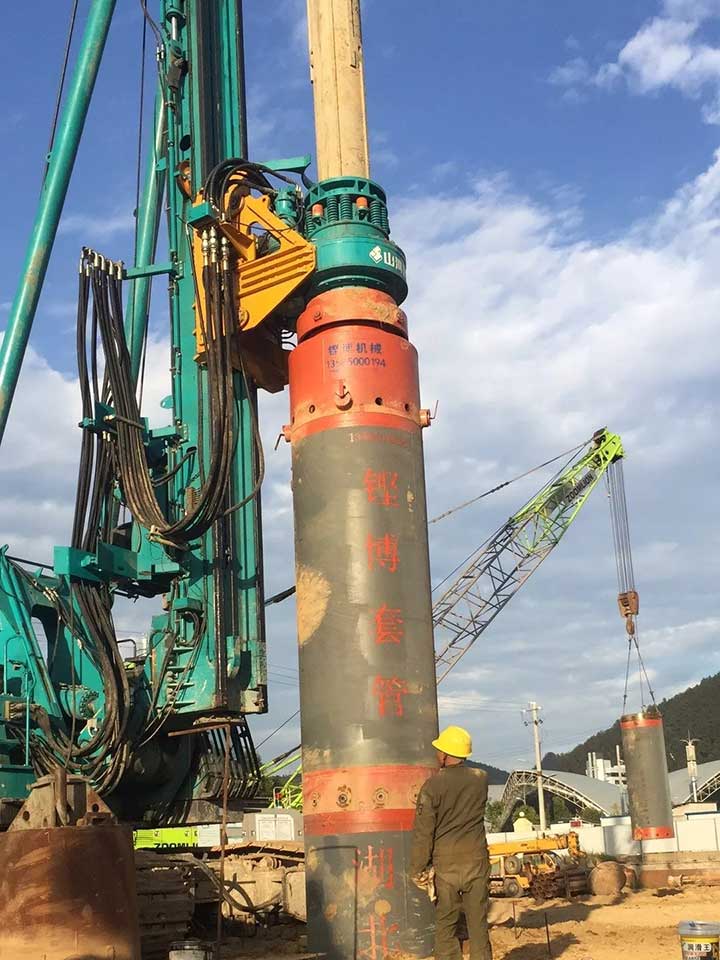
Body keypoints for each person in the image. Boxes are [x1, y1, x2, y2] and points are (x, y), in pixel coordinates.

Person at [410, 725, 492, 960]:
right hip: (477, 862)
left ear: (445, 754)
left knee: (446, 929)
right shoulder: (481, 779)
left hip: (446, 868)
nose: (437, 754)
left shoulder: (432, 786)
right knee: (478, 927)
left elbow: (423, 833)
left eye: (439, 750)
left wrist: (417, 868)